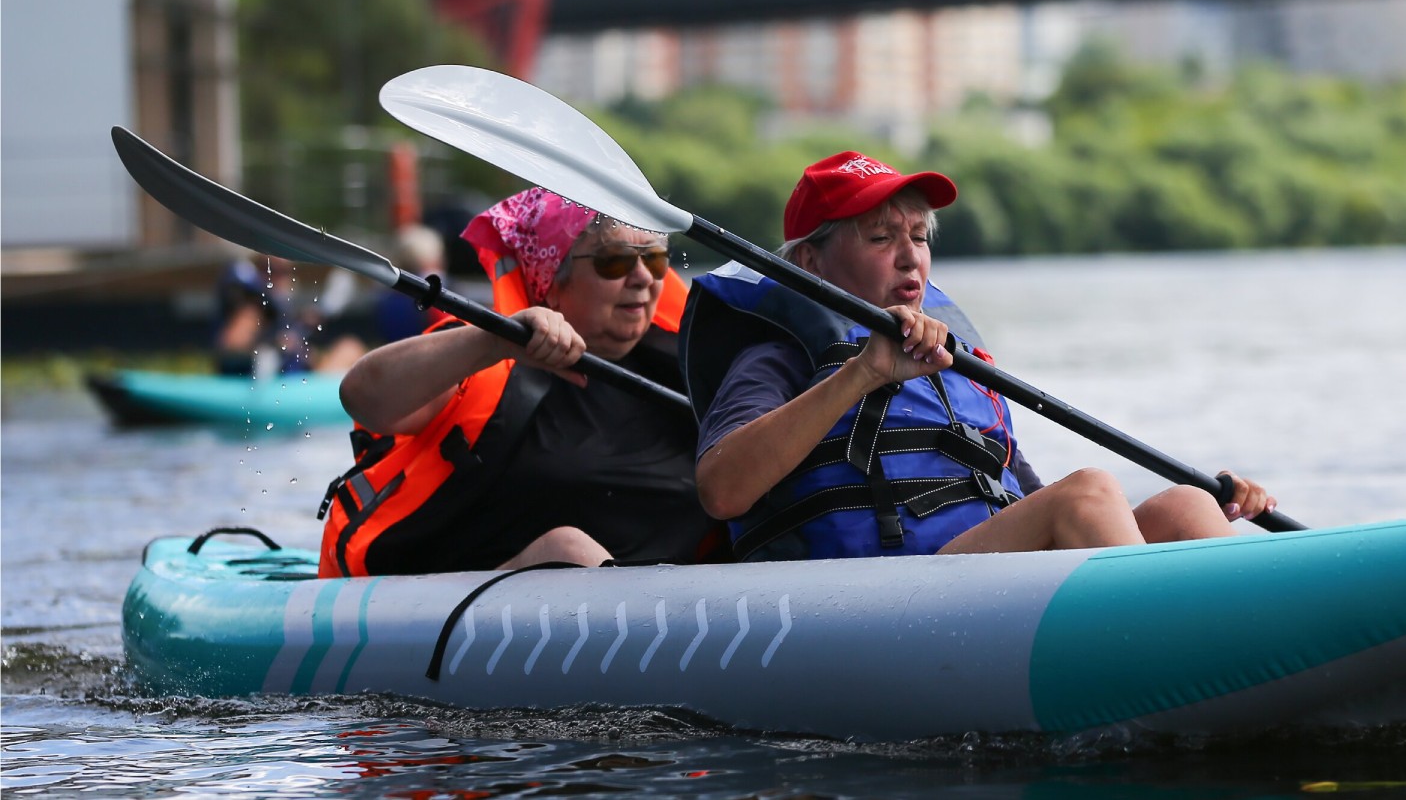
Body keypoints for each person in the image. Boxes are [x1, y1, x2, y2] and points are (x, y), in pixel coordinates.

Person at [682, 151, 1275, 562]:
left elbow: (1023, 492)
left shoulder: (951, 360)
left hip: (986, 573)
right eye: (881, 238)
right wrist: (863, 372)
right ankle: (1190, 667)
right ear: (811, 263)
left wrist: (1215, 510)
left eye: (918, 236)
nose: (910, 257)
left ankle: (1268, 657)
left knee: (1186, 505)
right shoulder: (775, 356)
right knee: (1088, 492)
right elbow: (722, 492)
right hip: (887, 592)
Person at [320, 187, 721, 578]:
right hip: (476, 610)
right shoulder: (485, 355)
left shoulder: (688, 365)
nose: (641, 278)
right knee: (567, 550)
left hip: (669, 610)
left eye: (653, 260)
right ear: (554, 283)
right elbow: (361, 396)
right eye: (613, 261)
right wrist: (493, 340)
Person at [214, 257, 364, 377]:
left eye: (282, 271)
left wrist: (304, 352)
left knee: (349, 348)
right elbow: (234, 345)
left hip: (294, 380)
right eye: (268, 269)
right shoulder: (251, 309)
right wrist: (274, 345)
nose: (274, 277)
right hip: (260, 383)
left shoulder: (285, 314)